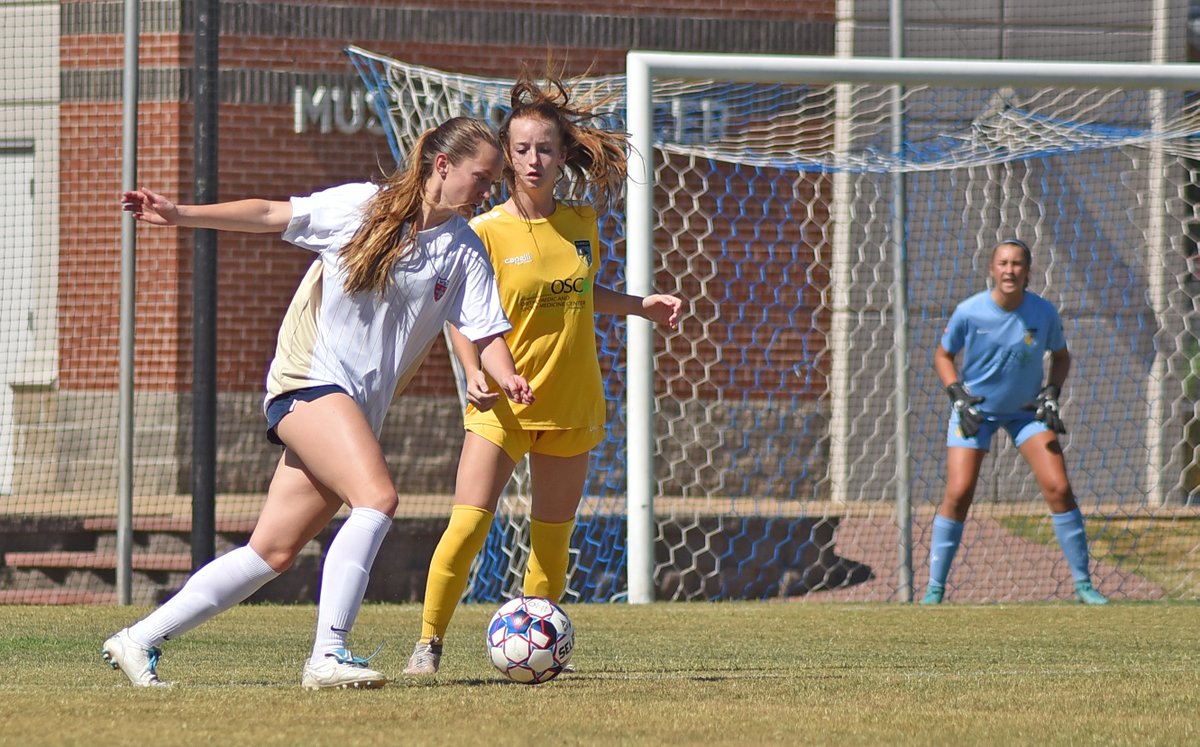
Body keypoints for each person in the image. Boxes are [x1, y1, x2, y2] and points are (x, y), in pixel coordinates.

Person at [102, 117, 534, 689]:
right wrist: (180, 214)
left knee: (271, 552)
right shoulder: (362, 206)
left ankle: (137, 639)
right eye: (482, 178)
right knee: (377, 498)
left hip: (353, 409)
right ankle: (328, 654)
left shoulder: (465, 249)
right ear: (442, 165)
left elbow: (487, 332)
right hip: (308, 383)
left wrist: (507, 376)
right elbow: (269, 212)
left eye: (494, 182)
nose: (488, 192)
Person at [403, 68, 683, 675]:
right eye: (523, 149)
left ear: (560, 156)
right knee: (468, 527)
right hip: (501, 405)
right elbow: (461, 310)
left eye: (545, 149)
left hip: (570, 400)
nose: (534, 160)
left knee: (552, 538)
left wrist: (640, 305)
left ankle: (538, 646)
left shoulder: (581, 224)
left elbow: (580, 293)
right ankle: (428, 644)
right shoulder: (482, 231)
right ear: (507, 157)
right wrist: (474, 369)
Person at [923, 238, 1107, 605]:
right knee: (958, 493)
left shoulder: (1043, 312)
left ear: (1028, 271)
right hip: (975, 413)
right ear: (992, 269)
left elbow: (1061, 356)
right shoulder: (969, 312)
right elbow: (943, 356)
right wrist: (958, 396)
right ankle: (934, 590)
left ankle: (1084, 585)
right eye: (1003, 263)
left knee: (1058, 487)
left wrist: (1051, 392)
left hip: (1026, 413)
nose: (1010, 270)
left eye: (1017, 263)